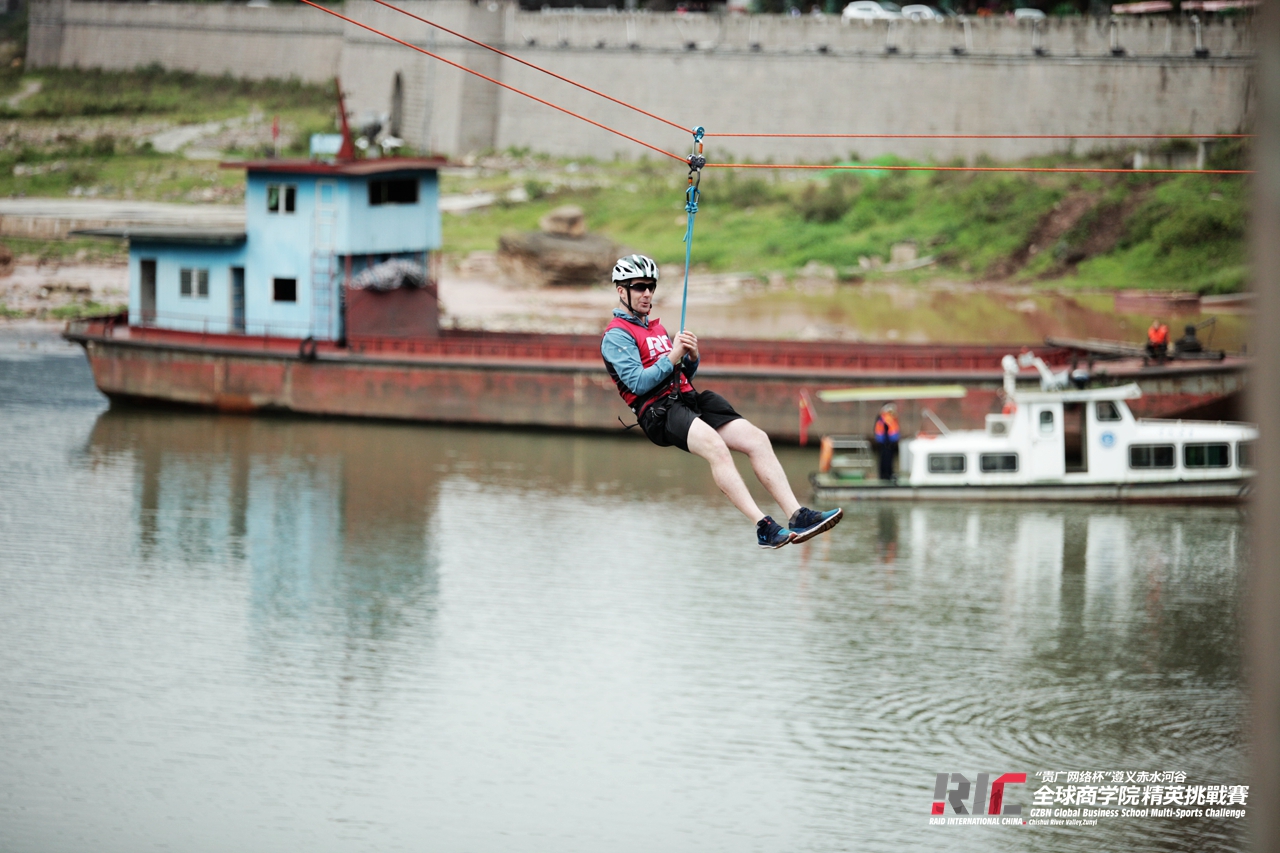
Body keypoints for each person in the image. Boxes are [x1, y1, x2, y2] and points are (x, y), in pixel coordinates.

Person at [601, 254, 842, 550]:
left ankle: (798, 515)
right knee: (716, 447)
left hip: (687, 399)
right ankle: (764, 527)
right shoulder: (616, 336)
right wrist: (673, 355)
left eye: (651, 286)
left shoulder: (657, 329)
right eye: (639, 287)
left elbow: (680, 374)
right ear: (621, 290)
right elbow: (638, 383)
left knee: (757, 439)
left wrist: (691, 357)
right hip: (659, 412)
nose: (647, 293)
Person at [872, 403, 899, 482]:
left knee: (887, 459)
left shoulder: (885, 418)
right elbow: (886, 430)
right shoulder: (886, 418)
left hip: (887, 442)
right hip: (886, 442)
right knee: (886, 459)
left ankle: (886, 474)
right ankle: (886, 475)